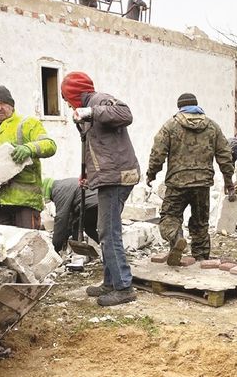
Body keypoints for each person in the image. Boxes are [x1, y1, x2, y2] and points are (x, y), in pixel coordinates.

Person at [60, 71, 140, 306]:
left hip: (117, 177)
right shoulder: (86, 112)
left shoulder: (99, 101)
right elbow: (95, 147)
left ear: (74, 94)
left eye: (66, 98)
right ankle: (110, 282)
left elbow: (126, 114)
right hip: (109, 176)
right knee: (105, 229)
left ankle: (124, 287)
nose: (66, 103)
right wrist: (86, 175)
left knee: (109, 232)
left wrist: (93, 112)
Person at [146, 93, 234, 265]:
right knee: (200, 222)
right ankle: (201, 259)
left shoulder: (170, 126)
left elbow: (158, 153)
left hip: (177, 182)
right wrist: (229, 181)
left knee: (169, 216)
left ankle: (176, 237)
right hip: (202, 183)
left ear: (180, 107)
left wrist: (152, 174)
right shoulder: (212, 126)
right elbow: (225, 154)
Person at [0, 85, 57, 228]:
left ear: (11, 105)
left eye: (3, 103)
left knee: (28, 246)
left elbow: (50, 145)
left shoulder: (27, 123)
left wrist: (28, 148)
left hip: (25, 202)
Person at [42, 177, 99, 253]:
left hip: (89, 204)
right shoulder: (64, 184)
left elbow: (61, 218)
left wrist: (55, 246)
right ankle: (105, 247)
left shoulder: (58, 190)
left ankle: (79, 257)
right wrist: (65, 237)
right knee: (89, 228)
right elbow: (69, 218)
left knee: (76, 226)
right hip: (99, 202)